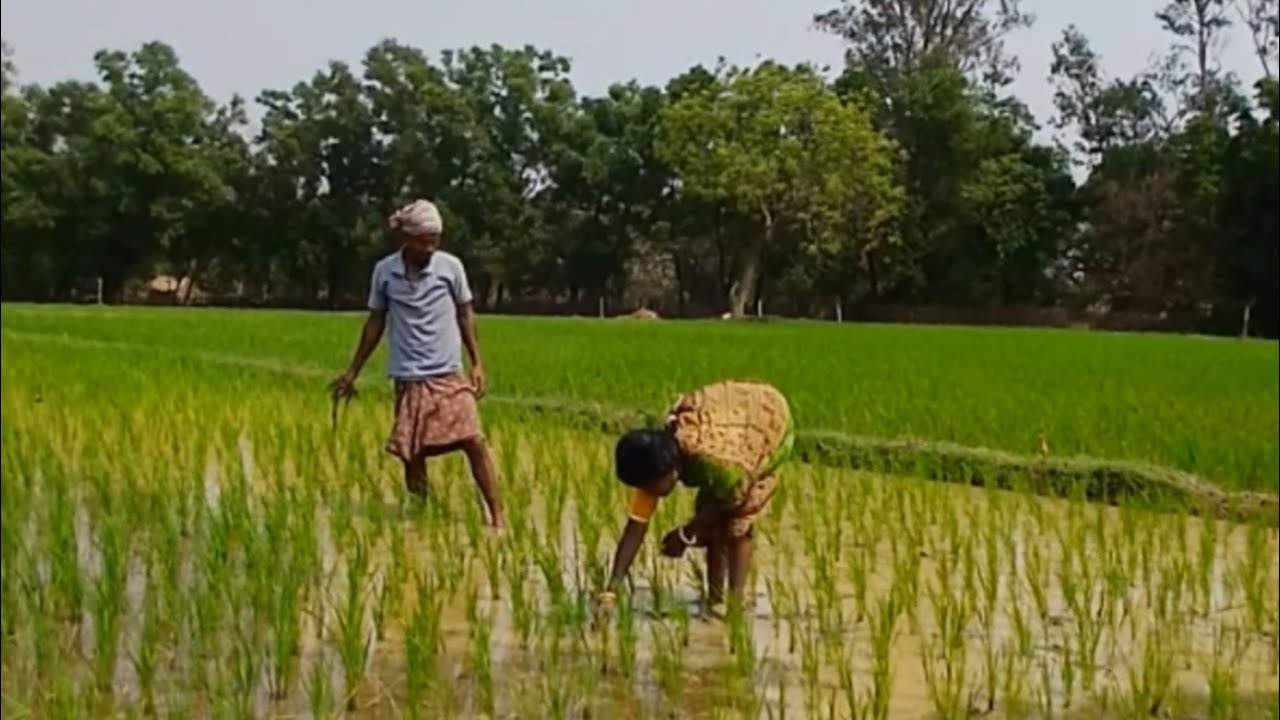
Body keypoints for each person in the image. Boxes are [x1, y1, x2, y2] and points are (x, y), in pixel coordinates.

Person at [330, 199, 505, 529]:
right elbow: (375, 322)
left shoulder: (450, 267)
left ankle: (497, 516)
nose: (430, 248)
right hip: (409, 374)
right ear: (406, 239)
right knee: (414, 451)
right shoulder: (385, 272)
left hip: (448, 372)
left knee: (473, 440)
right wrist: (352, 371)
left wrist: (477, 362)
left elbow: (465, 314)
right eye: (424, 241)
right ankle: (422, 516)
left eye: (434, 241)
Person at [597, 380, 794, 613]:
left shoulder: (719, 462)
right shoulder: (655, 462)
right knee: (707, 515)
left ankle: (734, 607)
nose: (648, 493)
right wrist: (611, 591)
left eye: (651, 487)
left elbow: (731, 498)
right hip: (729, 420)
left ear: (671, 471)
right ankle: (714, 601)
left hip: (767, 422)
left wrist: (685, 534)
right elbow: (635, 528)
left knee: (737, 522)